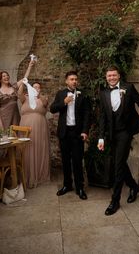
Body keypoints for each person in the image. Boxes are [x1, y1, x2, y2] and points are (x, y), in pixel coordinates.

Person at [98, 66, 139, 216]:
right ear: (106, 77)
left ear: (118, 76)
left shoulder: (128, 88)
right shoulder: (103, 93)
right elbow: (103, 116)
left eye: (114, 75)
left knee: (117, 165)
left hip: (125, 131)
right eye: (109, 75)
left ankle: (114, 201)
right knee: (121, 162)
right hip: (111, 133)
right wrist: (101, 137)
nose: (111, 77)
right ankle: (134, 187)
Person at [50, 71, 91, 199]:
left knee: (78, 161)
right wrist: (64, 102)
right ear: (66, 81)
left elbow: (86, 115)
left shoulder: (82, 95)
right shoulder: (60, 94)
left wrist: (85, 131)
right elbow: (52, 109)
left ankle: (80, 188)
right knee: (66, 161)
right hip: (64, 132)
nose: (74, 81)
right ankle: (67, 185)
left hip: (77, 133)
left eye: (75, 79)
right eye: (71, 79)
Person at [18, 82, 50, 188]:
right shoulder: (25, 98)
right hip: (25, 127)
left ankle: (39, 175)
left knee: (39, 149)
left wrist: (38, 94)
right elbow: (19, 93)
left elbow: (45, 104)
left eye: (38, 87)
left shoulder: (43, 98)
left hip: (40, 128)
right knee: (26, 150)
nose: (36, 88)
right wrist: (24, 83)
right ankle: (26, 175)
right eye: (34, 87)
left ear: (40, 89)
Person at [0, 60, 35, 130]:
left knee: (15, 136)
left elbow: (24, 79)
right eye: (4, 76)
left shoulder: (14, 87)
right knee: (4, 138)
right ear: (0, 79)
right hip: (4, 118)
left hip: (15, 116)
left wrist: (30, 66)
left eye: (7, 75)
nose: (6, 77)